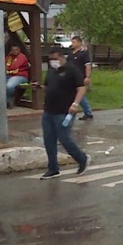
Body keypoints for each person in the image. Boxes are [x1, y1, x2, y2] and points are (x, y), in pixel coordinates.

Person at [36, 48, 91, 179]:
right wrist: (39, 87)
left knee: (64, 138)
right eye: (50, 59)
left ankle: (82, 159)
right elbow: (48, 87)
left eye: (55, 58)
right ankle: (53, 168)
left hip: (65, 111)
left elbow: (81, 89)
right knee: (49, 140)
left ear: (62, 58)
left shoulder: (72, 70)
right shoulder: (51, 71)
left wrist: (75, 104)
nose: (52, 62)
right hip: (49, 111)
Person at [68, 36, 94, 120]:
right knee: (76, 94)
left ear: (79, 43)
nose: (72, 44)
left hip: (80, 77)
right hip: (71, 77)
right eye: (72, 42)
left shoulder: (83, 53)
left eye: (74, 42)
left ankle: (88, 112)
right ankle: (87, 112)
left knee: (80, 94)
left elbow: (88, 65)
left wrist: (87, 76)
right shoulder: (71, 54)